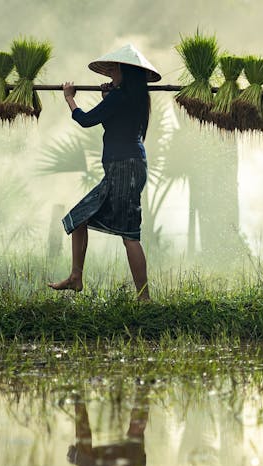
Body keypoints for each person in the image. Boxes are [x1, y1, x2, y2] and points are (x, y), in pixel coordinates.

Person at [48, 44, 161, 302]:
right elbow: (114, 122)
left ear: (124, 71)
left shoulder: (120, 97)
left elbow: (86, 119)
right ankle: (76, 277)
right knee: (80, 218)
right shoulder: (134, 98)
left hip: (124, 168)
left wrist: (69, 98)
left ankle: (144, 298)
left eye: (113, 69)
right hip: (127, 167)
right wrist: (106, 98)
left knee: (129, 235)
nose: (110, 73)